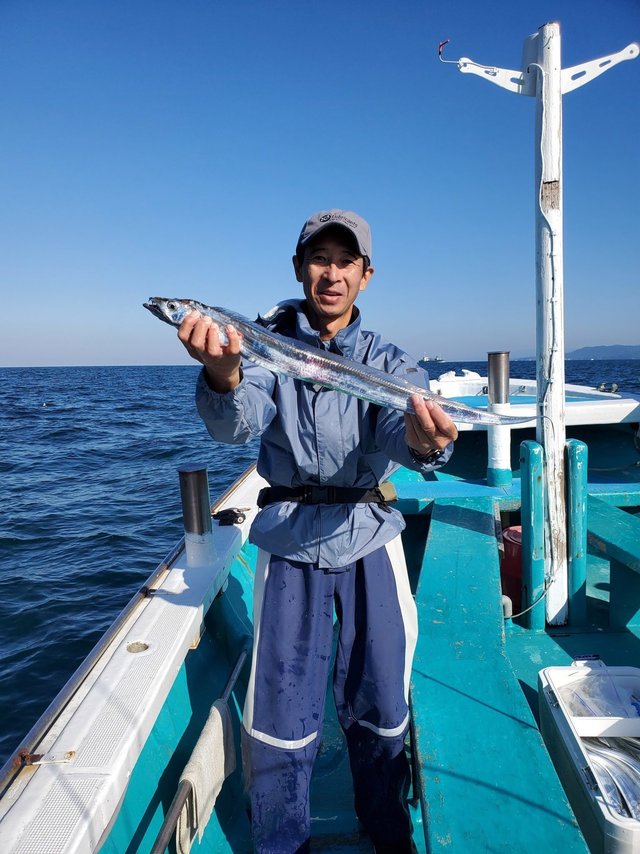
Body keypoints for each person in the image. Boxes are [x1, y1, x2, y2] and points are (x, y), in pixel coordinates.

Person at [177, 209, 457, 853]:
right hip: (290, 541)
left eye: (345, 261)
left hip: (368, 538)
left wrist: (424, 439)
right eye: (318, 259)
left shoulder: (389, 360)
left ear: (365, 275)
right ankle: (281, 840)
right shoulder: (266, 345)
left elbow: (401, 432)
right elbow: (240, 421)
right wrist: (224, 375)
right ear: (300, 269)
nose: (331, 273)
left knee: (383, 697)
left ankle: (388, 832)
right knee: (278, 708)